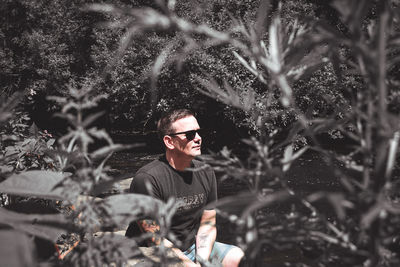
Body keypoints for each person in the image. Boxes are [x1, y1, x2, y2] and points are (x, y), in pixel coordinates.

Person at [125, 109, 244, 266]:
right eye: (190, 134)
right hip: (150, 251)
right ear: (169, 142)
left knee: (236, 255)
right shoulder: (147, 179)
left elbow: (207, 224)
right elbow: (154, 237)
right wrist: (186, 264)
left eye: (198, 132)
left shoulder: (206, 171)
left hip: (191, 247)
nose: (198, 138)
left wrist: (201, 260)